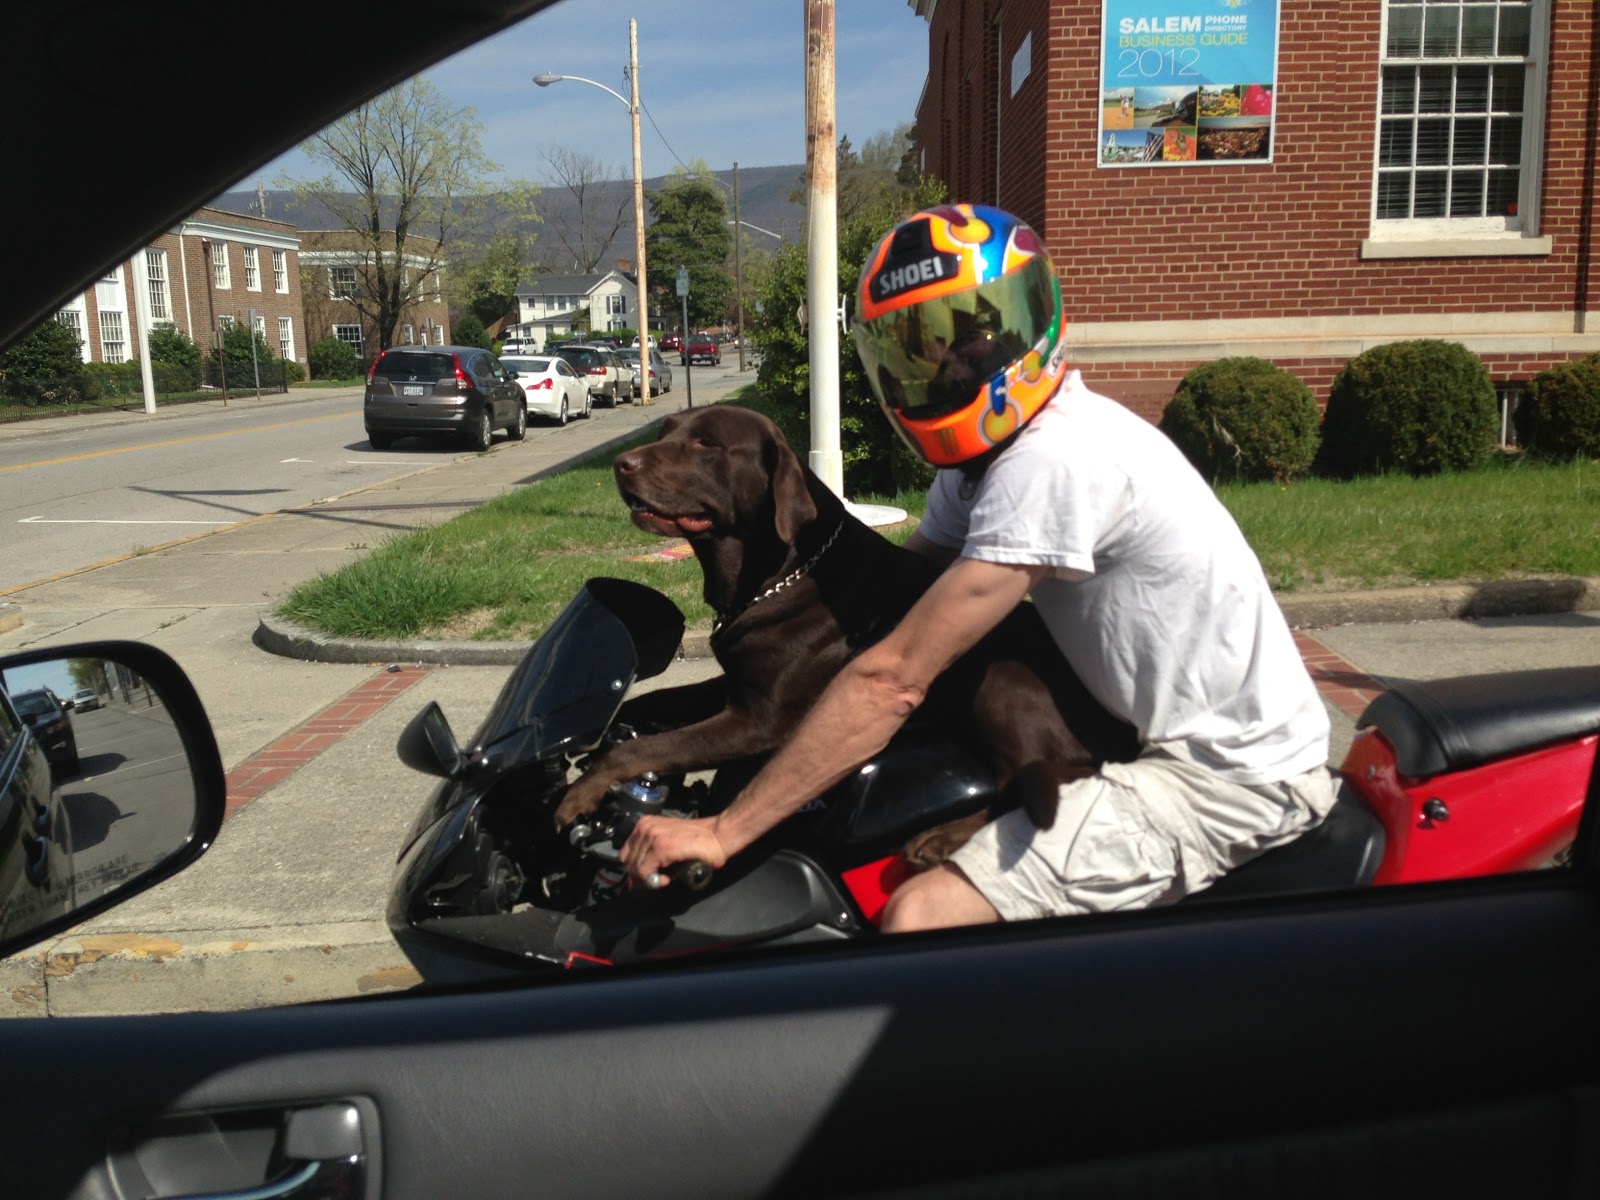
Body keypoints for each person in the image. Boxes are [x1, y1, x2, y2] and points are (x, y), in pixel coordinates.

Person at [620, 202, 1336, 932]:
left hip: (1226, 780)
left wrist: (724, 832)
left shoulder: (1054, 460)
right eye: (919, 346)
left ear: (1030, 322)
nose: (948, 364)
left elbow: (894, 677)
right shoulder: (985, 465)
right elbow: (890, 592)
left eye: (973, 338)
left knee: (919, 913)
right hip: (1140, 738)